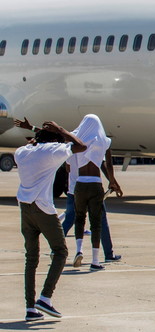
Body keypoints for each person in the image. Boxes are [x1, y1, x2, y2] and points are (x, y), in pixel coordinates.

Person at [16, 121, 86, 321]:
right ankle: (45, 298)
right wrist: (62, 130)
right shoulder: (53, 151)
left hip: (25, 208)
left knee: (31, 258)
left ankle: (30, 308)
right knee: (61, 252)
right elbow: (81, 146)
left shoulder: (21, 152)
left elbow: (36, 142)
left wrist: (36, 131)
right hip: (43, 208)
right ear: (54, 139)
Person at [70, 114, 122, 271]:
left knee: (79, 218)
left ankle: (79, 250)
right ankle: (95, 260)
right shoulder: (103, 141)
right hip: (95, 184)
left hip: (80, 184)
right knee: (96, 222)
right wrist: (113, 182)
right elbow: (108, 164)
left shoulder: (77, 141)